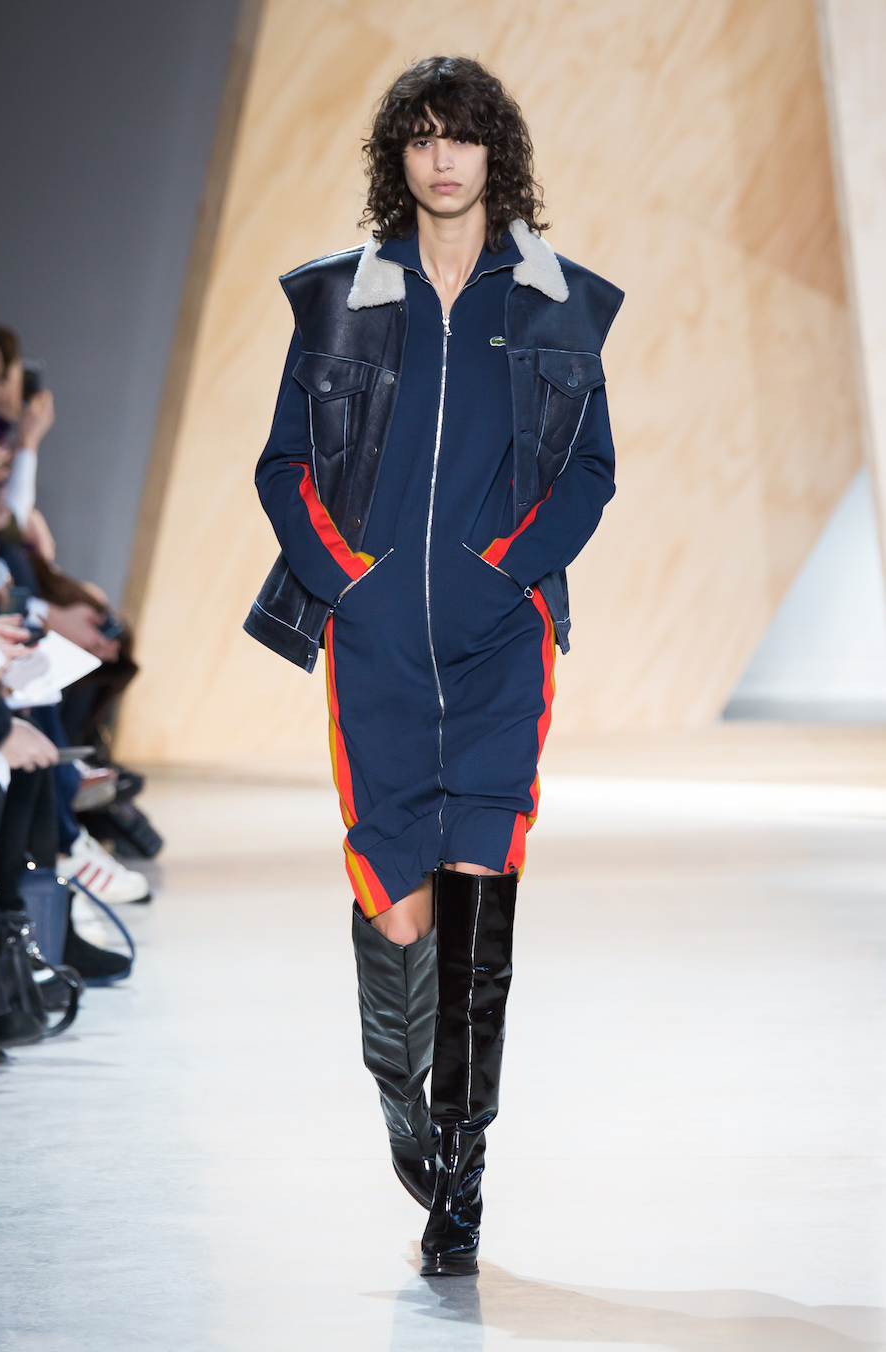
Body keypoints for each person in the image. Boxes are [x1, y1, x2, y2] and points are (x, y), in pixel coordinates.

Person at [249, 56, 622, 1276]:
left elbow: (591, 471)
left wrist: (512, 571)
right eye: (419, 137)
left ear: (495, 151)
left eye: (462, 135)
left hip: (504, 643)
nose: (443, 157)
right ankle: (403, 1100)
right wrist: (345, 580)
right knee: (394, 895)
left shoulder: (559, 299)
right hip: (376, 651)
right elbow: (283, 465)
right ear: (396, 158)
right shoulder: (339, 299)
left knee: (476, 902)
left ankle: (462, 1168)